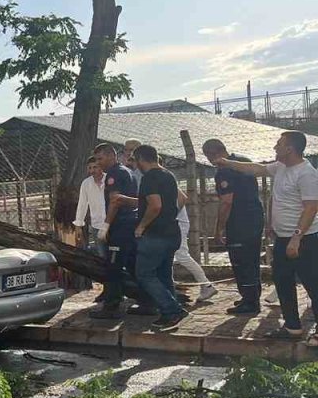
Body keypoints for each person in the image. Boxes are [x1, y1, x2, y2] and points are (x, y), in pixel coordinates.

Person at [215, 131, 318, 345]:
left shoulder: (306, 173)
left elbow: (311, 207)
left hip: (305, 239)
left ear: (290, 149)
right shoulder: (281, 167)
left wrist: (296, 238)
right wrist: (228, 162)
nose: (275, 147)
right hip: (282, 238)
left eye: (279, 144)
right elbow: (256, 169)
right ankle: (292, 327)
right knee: (282, 280)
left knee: (313, 284)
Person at [203, 138, 264, 314]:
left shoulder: (224, 171)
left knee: (241, 262)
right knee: (251, 260)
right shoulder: (241, 161)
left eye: (208, 156)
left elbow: (226, 202)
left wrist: (219, 229)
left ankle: (250, 303)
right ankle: (251, 297)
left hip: (239, 221)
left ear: (212, 154)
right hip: (254, 217)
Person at [132, 146, 188, 329]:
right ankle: (170, 313)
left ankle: (172, 310)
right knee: (164, 275)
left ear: (141, 158)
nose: (136, 165)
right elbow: (182, 199)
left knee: (144, 273)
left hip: (154, 235)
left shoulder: (150, 177)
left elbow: (155, 205)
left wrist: (141, 226)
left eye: (135, 160)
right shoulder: (168, 175)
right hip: (171, 232)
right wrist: (170, 215)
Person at [90, 143, 145, 319]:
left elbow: (115, 201)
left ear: (111, 156)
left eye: (100, 158)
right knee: (132, 265)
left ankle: (111, 306)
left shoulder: (114, 173)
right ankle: (148, 300)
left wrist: (106, 226)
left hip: (120, 226)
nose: (98, 163)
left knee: (113, 267)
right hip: (130, 225)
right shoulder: (128, 171)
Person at [73, 156, 107, 256]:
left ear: (101, 167)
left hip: (111, 223)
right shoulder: (86, 183)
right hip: (97, 225)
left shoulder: (109, 179)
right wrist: (78, 225)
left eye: (95, 167)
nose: (92, 170)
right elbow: (82, 204)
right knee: (101, 255)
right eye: (90, 168)